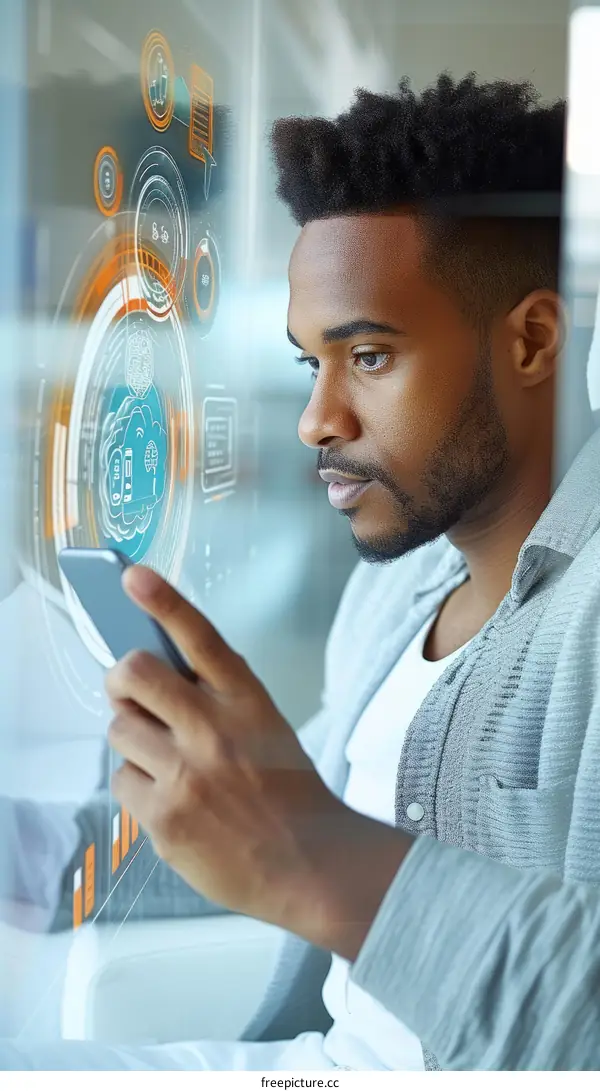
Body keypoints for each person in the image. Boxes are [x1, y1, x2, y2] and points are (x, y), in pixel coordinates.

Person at [4, 71, 600, 1071]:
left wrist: (314, 848)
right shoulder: (398, 589)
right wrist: (29, 846)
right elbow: (262, 824)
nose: (316, 419)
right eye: (307, 364)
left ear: (532, 340)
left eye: (367, 355)